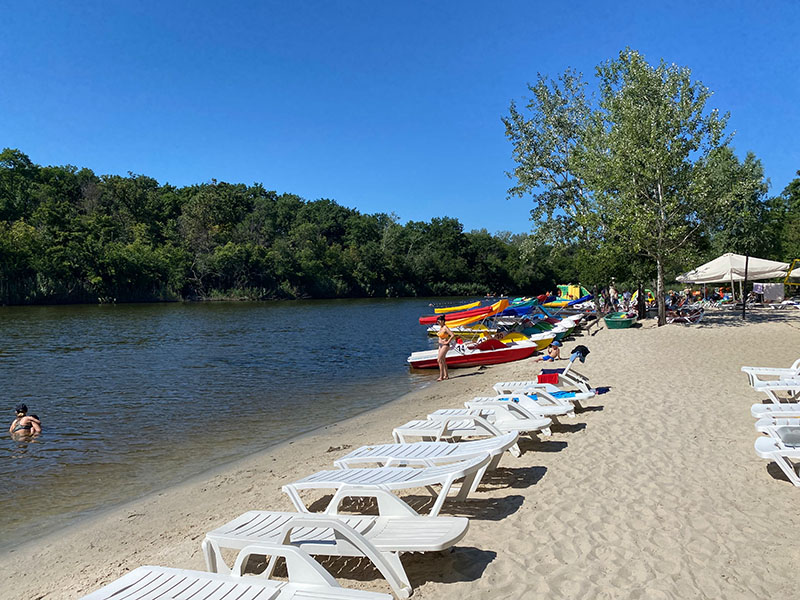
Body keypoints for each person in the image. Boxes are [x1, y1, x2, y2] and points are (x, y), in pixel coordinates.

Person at [435, 315, 454, 381]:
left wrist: (447, 341)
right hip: (440, 345)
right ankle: (446, 376)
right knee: (443, 360)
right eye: (437, 321)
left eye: (439, 321)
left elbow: (452, 335)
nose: (438, 322)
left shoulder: (445, 327)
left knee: (439, 360)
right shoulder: (441, 327)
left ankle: (441, 376)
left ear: (443, 321)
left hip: (445, 345)